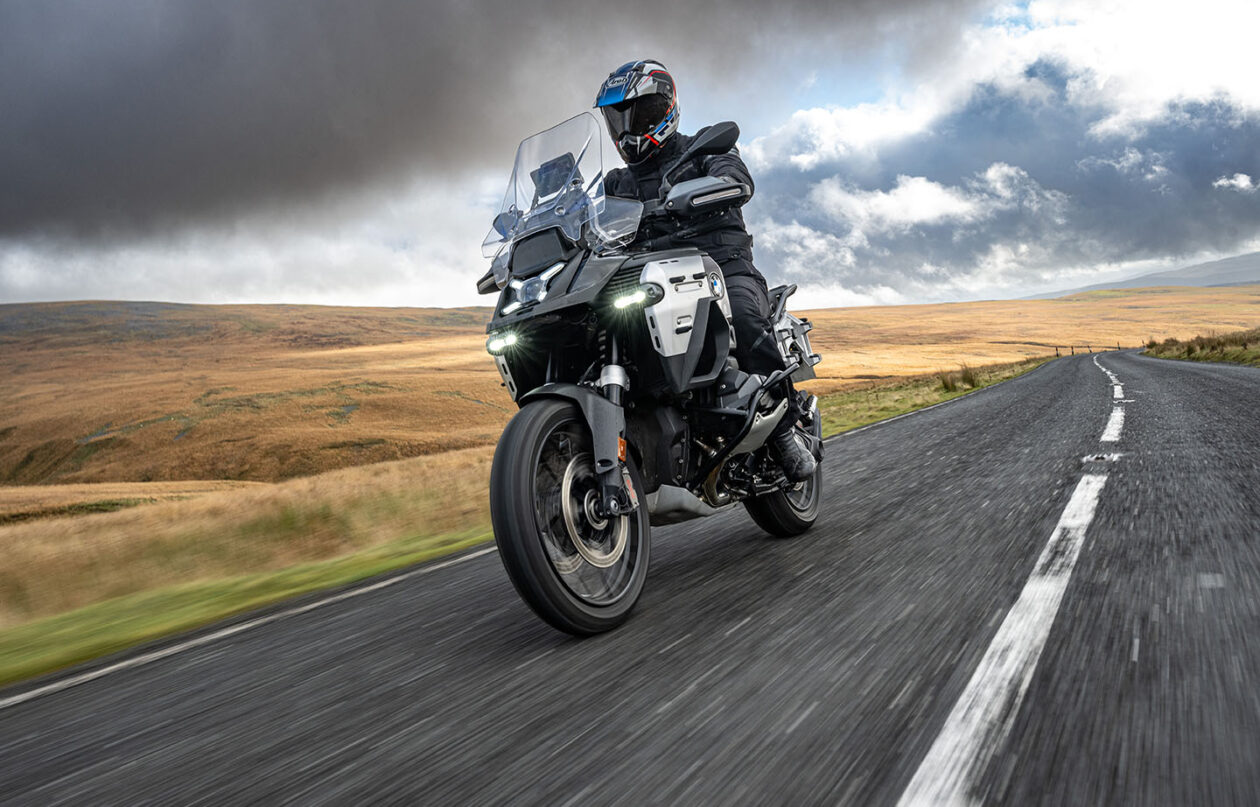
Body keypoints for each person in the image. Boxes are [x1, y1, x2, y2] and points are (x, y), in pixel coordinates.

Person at [595, 59, 817, 482]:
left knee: (747, 320)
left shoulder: (704, 148)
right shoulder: (614, 184)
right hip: (648, 278)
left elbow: (737, 179)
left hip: (719, 263)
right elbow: (588, 223)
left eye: (638, 114)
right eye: (616, 118)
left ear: (665, 108)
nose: (627, 129)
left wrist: (710, 188)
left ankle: (785, 432)